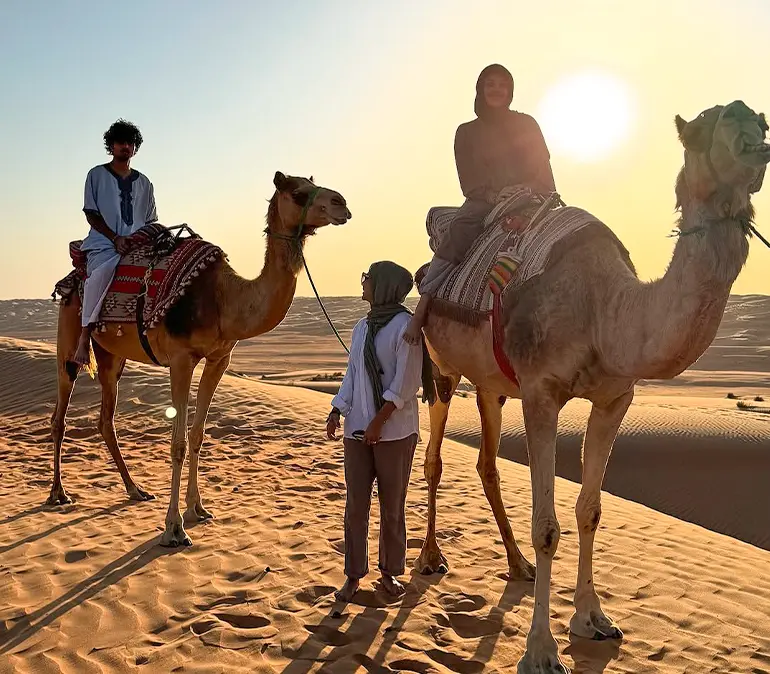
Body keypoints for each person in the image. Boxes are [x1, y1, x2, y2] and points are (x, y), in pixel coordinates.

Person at [403, 64, 556, 345]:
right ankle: (424, 304)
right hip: (485, 200)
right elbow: (468, 177)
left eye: (503, 85)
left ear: (510, 90)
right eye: (491, 84)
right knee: (461, 230)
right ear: (481, 89)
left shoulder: (526, 124)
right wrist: (493, 195)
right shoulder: (467, 132)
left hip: (532, 195)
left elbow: (542, 164)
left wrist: (539, 190)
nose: (497, 90)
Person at [326, 261, 435, 602]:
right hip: (357, 431)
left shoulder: (407, 329)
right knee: (355, 506)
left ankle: (389, 574)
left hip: (395, 434)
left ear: (385, 285)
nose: (363, 283)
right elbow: (353, 374)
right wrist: (337, 409)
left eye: (368, 278)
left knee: (392, 506)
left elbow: (405, 385)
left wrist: (379, 422)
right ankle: (353, 576)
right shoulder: (361, 327)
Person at [72, 119, 158, 365]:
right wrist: (115, 238)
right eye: (120, 142)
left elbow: (151, 219)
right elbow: (91, 213)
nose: (125, 147)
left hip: (138, 244)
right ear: (111, 145)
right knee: (101, 274)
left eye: (130, 143)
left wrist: (137, 239)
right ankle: (84, 338)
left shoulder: (145, 183)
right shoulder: (96, 175)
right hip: (103, 243)